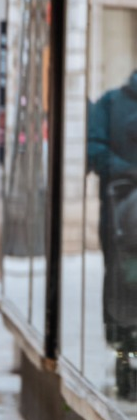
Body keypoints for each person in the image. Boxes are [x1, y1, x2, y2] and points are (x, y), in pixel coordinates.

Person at [87, 69, 137, 400]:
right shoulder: (111, 103)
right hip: (121, 215)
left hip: (120, 211)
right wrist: (128, 172)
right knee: (122, 279)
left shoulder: (110, 103)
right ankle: (124, 347)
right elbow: (95, 150)